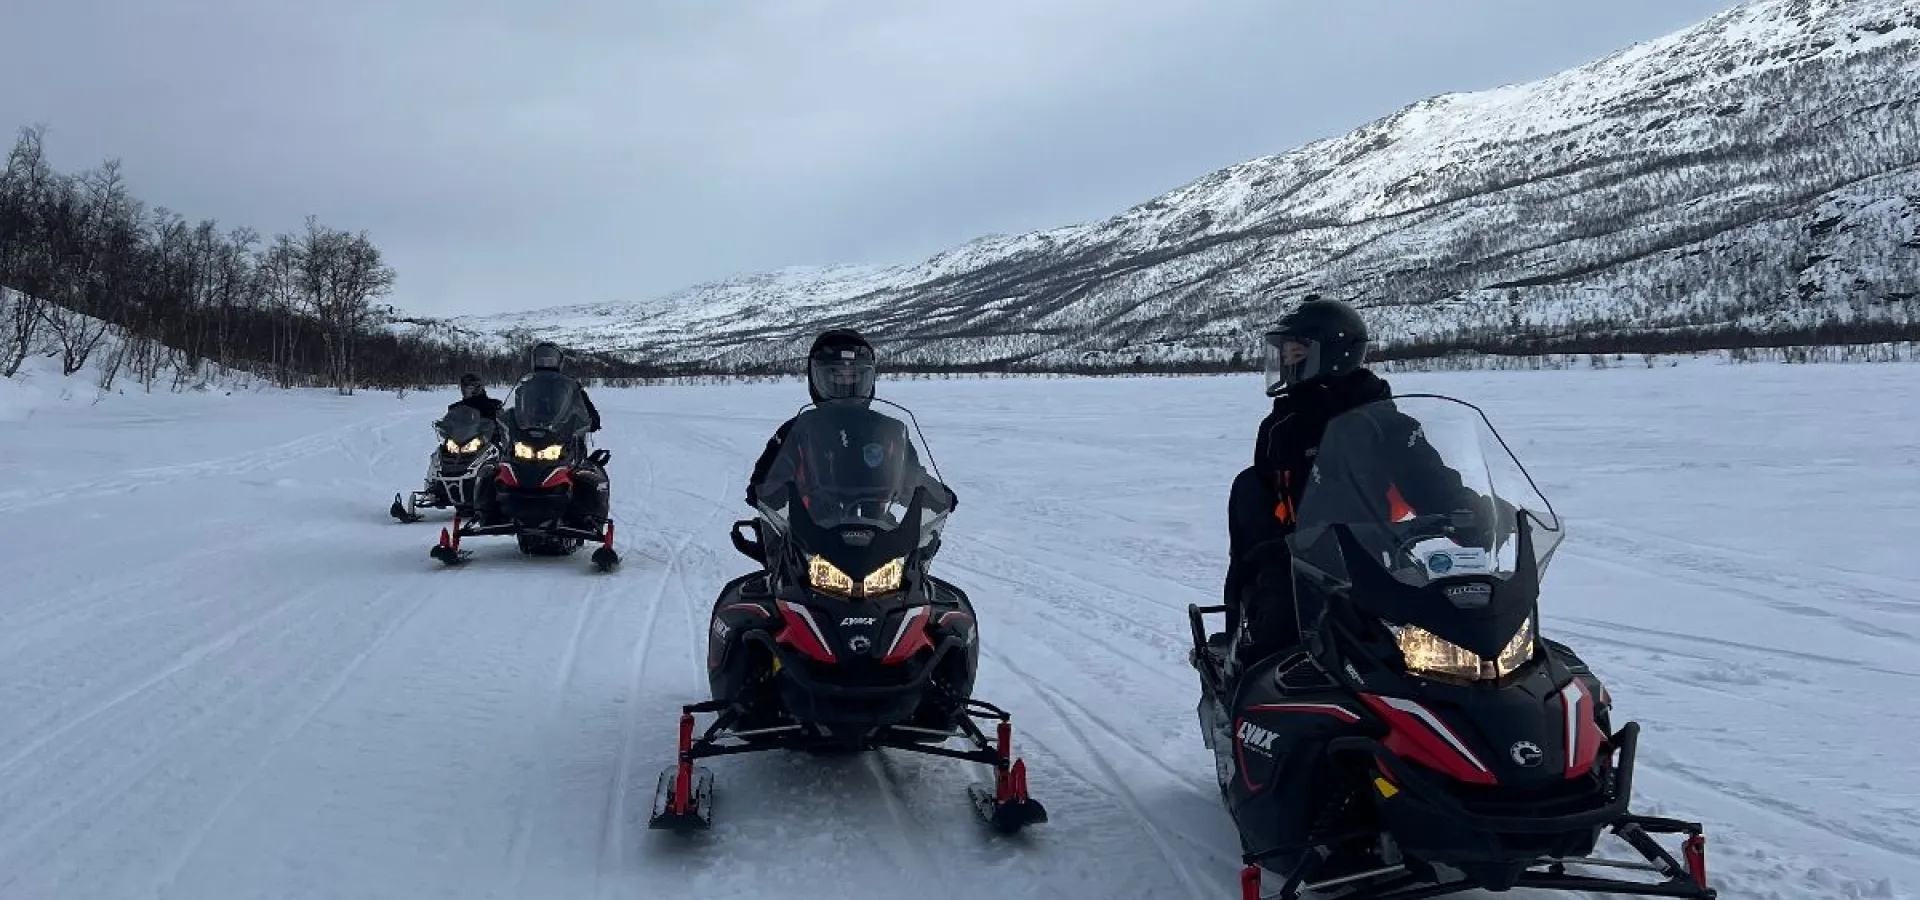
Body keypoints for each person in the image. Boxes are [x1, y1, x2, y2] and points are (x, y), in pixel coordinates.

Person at [1220, 296, 1490, 678]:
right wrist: (1272, 547)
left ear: (1331, 354)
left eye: (1295, 352)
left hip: (1381, 554)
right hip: (1301, 560)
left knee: (1457, 630)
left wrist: (1476, 514)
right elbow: (1266, 497)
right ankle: (1254, 709)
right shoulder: (1280, 428)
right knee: (1275, 646)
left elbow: (1430, 479)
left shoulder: (1387, 425)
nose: (1284, 362)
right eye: (1283, 353)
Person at [745, 328, 954, 513]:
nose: (846, 385)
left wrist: (933, 493)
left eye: (853, 376)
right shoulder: (798, 430)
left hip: (878, 536)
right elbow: (768, 475)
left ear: (868, 379)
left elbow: (909, 475)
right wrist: (767, 491)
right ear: (817, 379)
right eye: (836, 376)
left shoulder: (888, 430)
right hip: (810, 534)